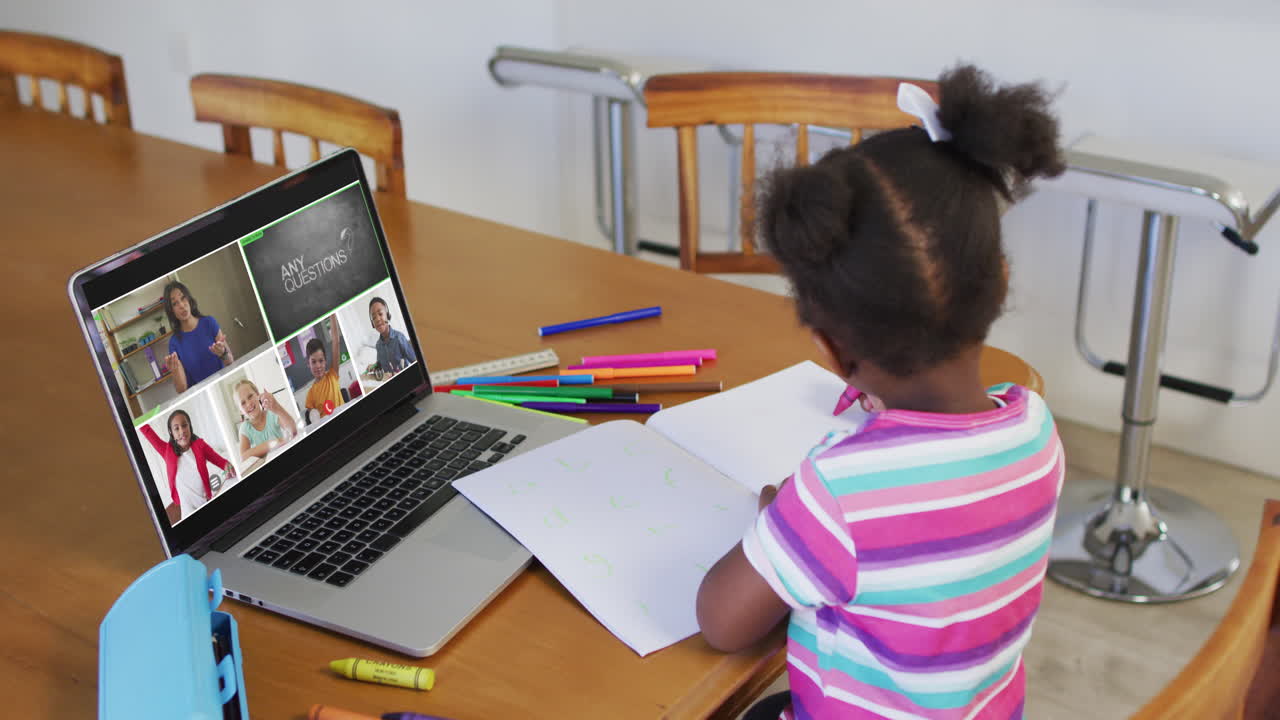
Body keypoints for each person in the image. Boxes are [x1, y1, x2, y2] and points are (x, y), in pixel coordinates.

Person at [696, 65, 1068, 720]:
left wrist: (780, 525)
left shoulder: (838, 495)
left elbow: (721, 623)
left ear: (831, 348)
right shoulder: (1037, 428)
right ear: (1000, 282)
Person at [139, 408, 235, 521]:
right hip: (187, 509)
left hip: (206, 500)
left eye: (184, 426)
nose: (182, 431)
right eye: (176, 428)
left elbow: (221, 461)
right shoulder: (166, 451)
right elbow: (146, 431)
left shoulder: (200, 445)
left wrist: (228, 467)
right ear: (171, 433)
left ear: (190, 427)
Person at [162, 281, 233, 393]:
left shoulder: (209, 322)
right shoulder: (174, 343)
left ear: (189, 299)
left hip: (224, 385)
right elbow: (182, 389)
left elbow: (230, 361)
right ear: (171, 311)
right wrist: (175, 371)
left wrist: (223, 353)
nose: (181, 305)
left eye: (183, 298)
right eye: (175, 304)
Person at [234, 379, 298, 463]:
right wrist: (274, 443)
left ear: (257, 394)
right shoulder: (245, 428)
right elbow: (244, 457)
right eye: (243, 403)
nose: (248, 404)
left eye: (250, 396)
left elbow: (293, 431)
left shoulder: (272, 414)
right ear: (240, 410)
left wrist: (277, 407)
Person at [304, 316, 346, 420]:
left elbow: (336, 342)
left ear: (325, 361)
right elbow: (313, 418)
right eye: (313, 362)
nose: (318, 366)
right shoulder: (310, 394)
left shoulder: (333, 374)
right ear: (308, 364)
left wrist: (332, 316)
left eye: (321, 361)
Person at [368, 296, 414, 375]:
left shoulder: (399, 338)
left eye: (380, 314)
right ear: (373, 324)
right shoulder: (378, 345)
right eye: (374, 317)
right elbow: (380, 363)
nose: (378, 319)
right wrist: (374, 366)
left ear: (387, 315)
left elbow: (415, 361)